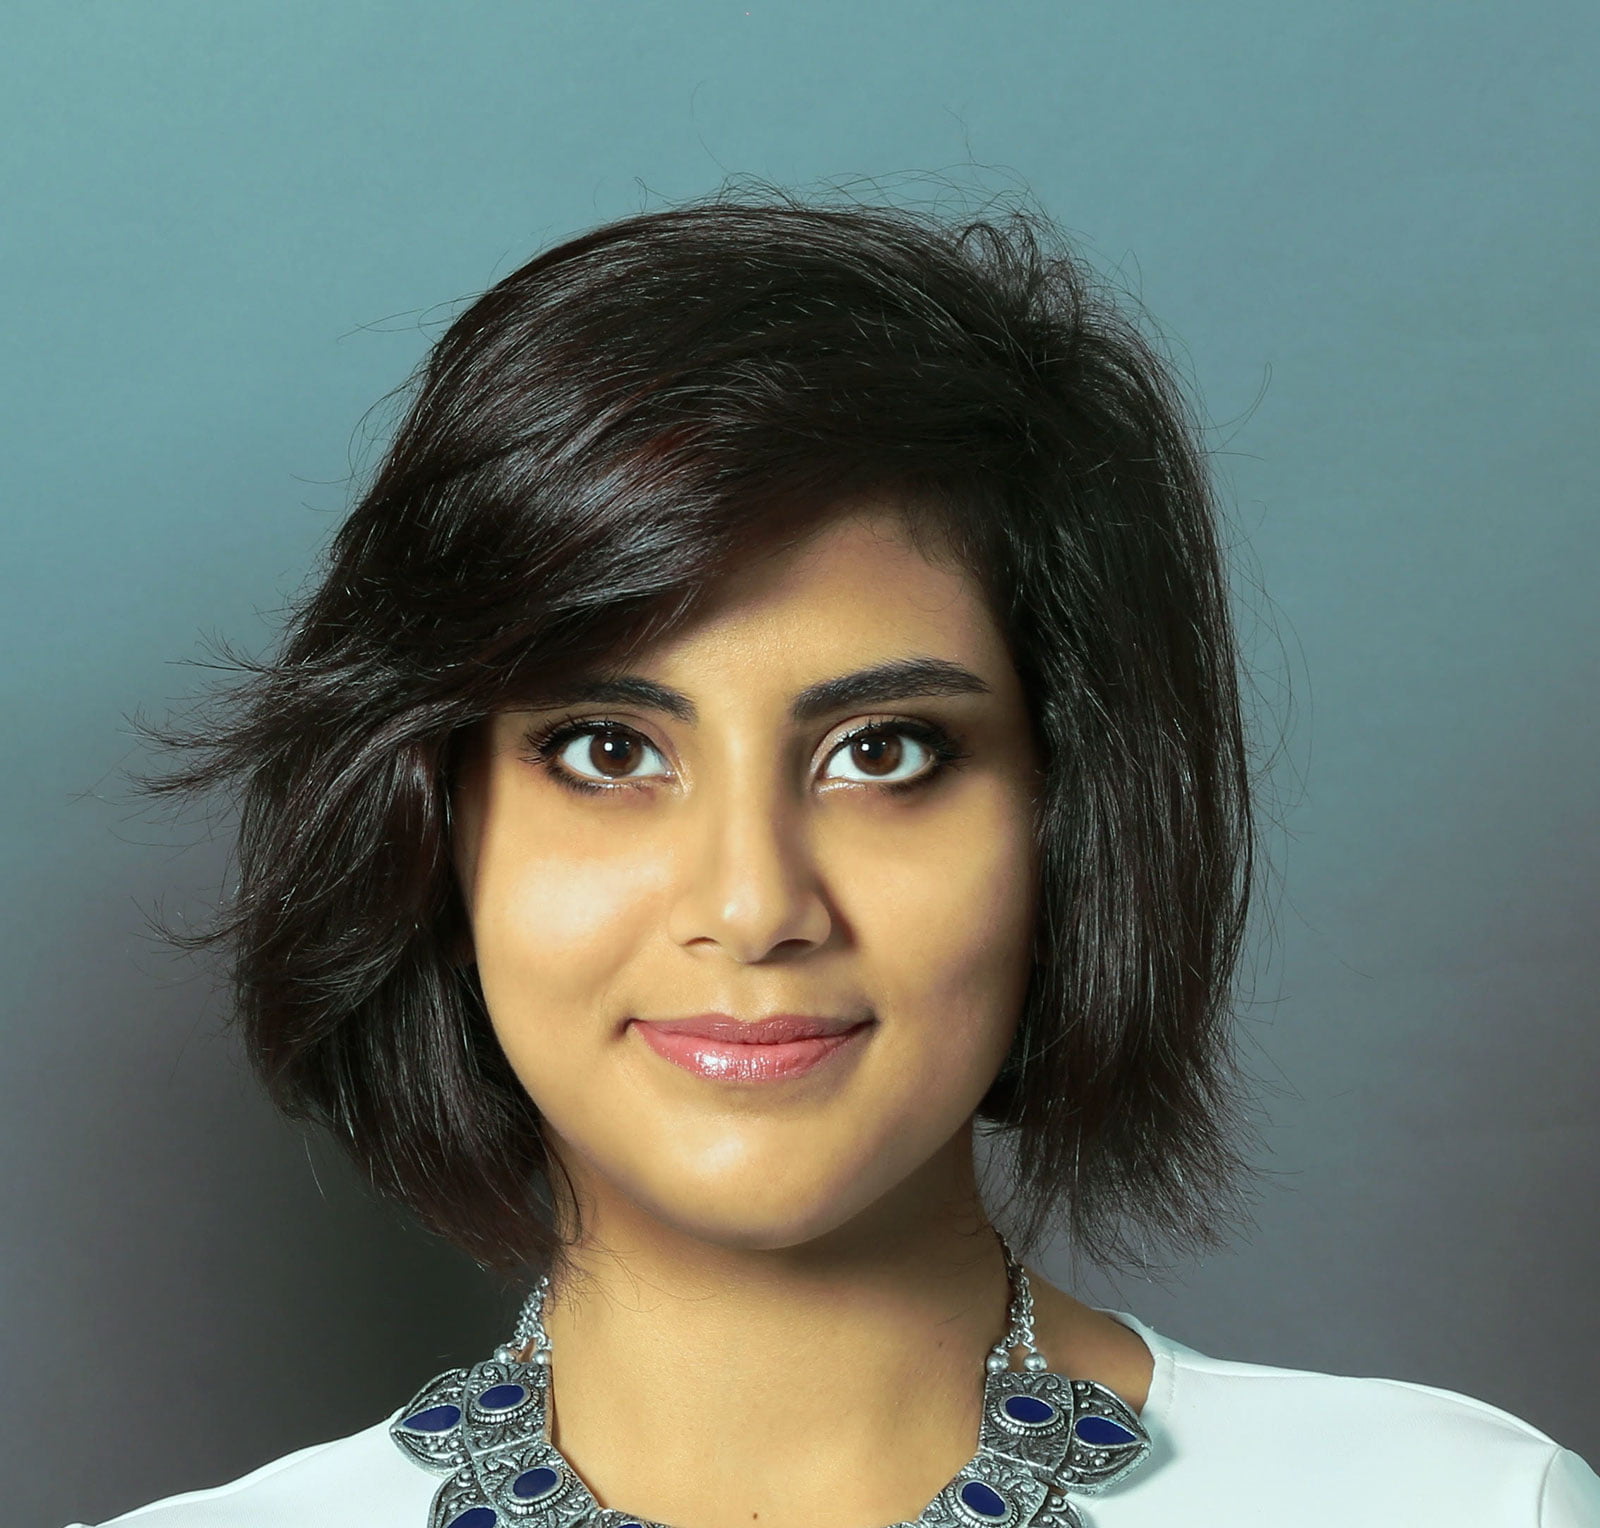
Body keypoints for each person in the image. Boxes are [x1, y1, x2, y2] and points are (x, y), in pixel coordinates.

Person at [68, 191, 1599, 1528]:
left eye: (883, 753)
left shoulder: (1462, 1511)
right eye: (609, 751)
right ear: (435, 825)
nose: (753, 905)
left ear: (1071, 820)